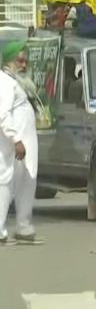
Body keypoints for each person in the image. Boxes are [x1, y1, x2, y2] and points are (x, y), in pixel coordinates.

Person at [0, 42, 40, 245]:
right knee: (5, 185)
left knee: (27, 183)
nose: (24, 64)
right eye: (19, 60)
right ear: (8, 62)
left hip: (25, 147)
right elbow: (3, 115)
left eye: (26, 60)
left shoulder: (18, 82)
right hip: (12, 146)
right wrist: (16, 140)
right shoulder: (5, 83)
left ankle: (24, 227)